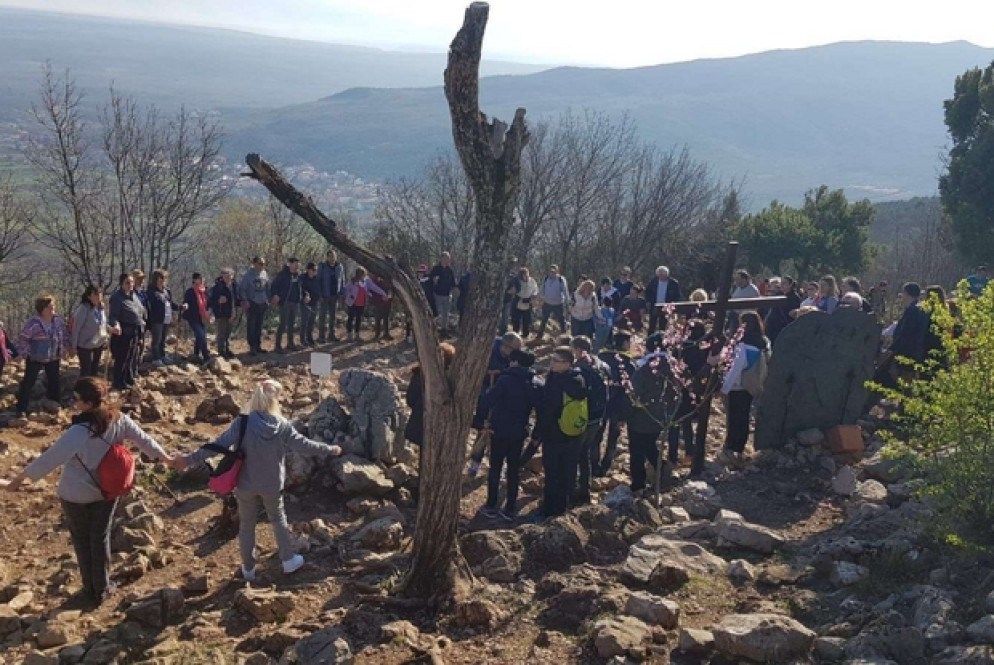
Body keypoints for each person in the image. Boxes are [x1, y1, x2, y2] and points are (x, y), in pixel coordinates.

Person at [4, 377, 175, 606]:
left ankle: (89, 590)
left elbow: (50, 459)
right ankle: (102, 588)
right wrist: (167, 459)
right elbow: (145, 440)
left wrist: (17, 481)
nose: (74, 403)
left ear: (87, 403)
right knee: (100, 537)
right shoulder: (119, 419)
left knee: (81, 540)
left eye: (77, 399)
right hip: (107, 492)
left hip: (75, 495)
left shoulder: (79, 430)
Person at [170, 380, 342, 581]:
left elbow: (216, 446)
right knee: (278, 519)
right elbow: (305, 445)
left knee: (247, 524)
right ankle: (288, 561)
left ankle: (248, 570)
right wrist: (331, 449)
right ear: (273, 400)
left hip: (245, 483)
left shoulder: (242, 423)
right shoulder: (282, 426)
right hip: (272, 484)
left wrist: (188, 460)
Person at [478, 348, 539, 520]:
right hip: (519, 432)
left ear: (515, 362)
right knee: (513, 470)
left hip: (500, 430)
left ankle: (491, 505)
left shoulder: (505, 380)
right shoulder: (534, 382)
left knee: (495, 467)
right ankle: (510, 508)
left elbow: (488, 402)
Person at [532, 347, 587, 519]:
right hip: (574, 432)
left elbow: (548, 411)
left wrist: (537, 434)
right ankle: (565, 506)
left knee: (553, 472)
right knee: (569, 469)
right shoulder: (579, 378)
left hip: (554, 433)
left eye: (556, 361)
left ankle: (550, 509)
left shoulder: (558, 382)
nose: (552, 364)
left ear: (567, 364)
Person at [627, 333, 679, 493]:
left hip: (641, 414)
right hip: (663, 413)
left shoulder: (643, 366)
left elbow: (632, 393)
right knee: (649, 443)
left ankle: (639, 482)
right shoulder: (674, 366)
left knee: (637, 448)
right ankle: (661, 469)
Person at [721, 311, 769, 459]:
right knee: (744, 416)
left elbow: (736, 368)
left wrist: (724, 388)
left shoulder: (742, 346)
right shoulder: (762, 343)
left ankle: (731, 446)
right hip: (751, 385)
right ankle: (740, 446)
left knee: (733, 417)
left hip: (738, 385)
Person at [570, 336, 611, 505]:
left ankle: (572, 491)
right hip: (598, 417)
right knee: (585, 453)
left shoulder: (580, 369)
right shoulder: (601, 365)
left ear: (579, 350)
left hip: (582, 418)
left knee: (574, 454)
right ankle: (585, 490)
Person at [16, 294, 71, 415]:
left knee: (54, 380)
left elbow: (64, 335)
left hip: (53, 356)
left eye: (53, 306)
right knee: (29, 381)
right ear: (42, 309)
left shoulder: (58, 321)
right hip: (36, 356)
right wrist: (22, 353)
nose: (53, 309)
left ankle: (55, 403)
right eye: (50, 307)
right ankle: (21, 407)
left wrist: (67, 347)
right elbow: (24, 339)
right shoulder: (33, 323)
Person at [667, 320, 708, 464]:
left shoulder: (678, 348)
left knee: (674, 423)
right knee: (687, 422)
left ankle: (672, 456)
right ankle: (690, 452)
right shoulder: (702, 350)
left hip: (676, 388)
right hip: (694, 389)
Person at [596, 330, 636, 476]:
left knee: (596, 436)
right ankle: (605, 466)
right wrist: (626, 413)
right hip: (618, 406)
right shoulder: (629, 363)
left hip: (600, 404)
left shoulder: (600, 357)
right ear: (626, 343)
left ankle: (593, 465)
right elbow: (630, 390)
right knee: (613, 437)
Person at [404, 343, 457, 448]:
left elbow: (410, 399)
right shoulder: (449, 381)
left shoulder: (419, 373)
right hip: (440, 431)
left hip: (418, 426)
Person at [107, 274, 147, 390]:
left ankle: (129, 378)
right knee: (122, 358)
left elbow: (139, 310)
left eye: (131, 282)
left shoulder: (133, 295)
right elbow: (113, 316)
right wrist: (116, 325)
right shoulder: (117, 298)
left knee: (131, 356)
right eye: (127, 283)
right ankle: (119, 382)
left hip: (135, 331)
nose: (130, 285)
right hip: (123, 333)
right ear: (121, 284)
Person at [70, 286, 109, 378]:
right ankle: (83, 389)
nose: (98, 296)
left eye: (100, 294)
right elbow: (76, 328)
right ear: (89, 296)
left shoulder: (100, 308)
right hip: (85, 345)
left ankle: (93, 389)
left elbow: (102, 324)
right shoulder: (83, 309)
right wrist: (73, 346)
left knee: (95, 368)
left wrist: (106, 338)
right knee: (86, 370)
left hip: (98, 343)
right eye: (95, 294)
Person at [147, 269, 184, 365]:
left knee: (163, 339)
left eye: (165, 278)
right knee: (157, 340)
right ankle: (156, 358)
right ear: (156, 279)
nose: (164, 280)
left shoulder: (167, 291)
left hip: (166, 319)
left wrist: (180, 307)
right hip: (157, 320)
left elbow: (171, 304)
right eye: (161, 278)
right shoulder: (151, 292)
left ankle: (162, 356)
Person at [343, 267, 388, 342]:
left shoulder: (366, 281)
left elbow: (374, 288)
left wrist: (383, 293)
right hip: (352, 303)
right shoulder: (352, 281)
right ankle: (349, 335)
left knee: (358, 319)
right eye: (363, 274)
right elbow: (346, 289)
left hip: (361, 303)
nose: (364, 276)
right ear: (359, 274)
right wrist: (346, 296)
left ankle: (357, 335)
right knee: (350, 318)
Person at [270, 258, 305, 353]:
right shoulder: (282, 274)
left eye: (298, 264)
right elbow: (274, 286)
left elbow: (303, 288)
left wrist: (305, 295)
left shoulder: (299, 276)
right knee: (283, 324)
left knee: (291, 324)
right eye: (295, 264)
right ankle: (277, 346)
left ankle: (290, 343)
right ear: (290, 264)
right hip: (285, 302)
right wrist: (275, 295)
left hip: (295, 302)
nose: (297, 266)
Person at [239, 257, 271, 356]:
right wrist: (245, 300)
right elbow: (242, 290)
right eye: (260, 263)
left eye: (264, 263)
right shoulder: (247, 275)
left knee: (259, 325)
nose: (262, 265)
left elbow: (267, 287)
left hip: (262, 302)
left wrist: (268, 299)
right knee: (251, 326)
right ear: (254, 264)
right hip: (252, 303)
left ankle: (258, 345)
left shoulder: (264, 274)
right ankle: (252, 346)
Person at [209, 269, 239, 359]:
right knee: (221, 333)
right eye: (225, 275)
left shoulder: (234, 285)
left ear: (232, 276)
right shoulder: (218, 286)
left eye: (229, 275)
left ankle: (227, 349)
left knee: (228, 332)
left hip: (232, 312)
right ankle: (221, 351)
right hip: (221, 313)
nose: (227, 277)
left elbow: (237, 297)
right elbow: (210, 299)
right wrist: (218, 300)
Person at [183, 273, 211, 365]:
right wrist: (185, 305)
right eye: (199, 279)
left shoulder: (205, 291)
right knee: (201, 335)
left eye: (202, 278)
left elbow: (209, 303)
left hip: (203, 317)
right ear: (194, 280)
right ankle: (206, 356)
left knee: (200, 336)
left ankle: (196, 354)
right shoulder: (190, 292)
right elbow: (186, 301)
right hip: (193, 317)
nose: (202, 280)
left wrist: (210, 312)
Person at [316, 251, 344, 343]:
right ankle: (321, 336)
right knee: (322, 316)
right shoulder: (322, 266)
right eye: (330, 256)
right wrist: (319, 295)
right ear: (327, 257)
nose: (332, 258)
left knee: (333, 317)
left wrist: (341, 294)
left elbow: (342, 280)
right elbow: (318, 281)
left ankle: (332, 335)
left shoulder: (339, 267)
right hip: (324, 295)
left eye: (334, 256)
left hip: (335, 295)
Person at [646, 266, 682, 334]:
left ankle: (661, 340)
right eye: (659, 275)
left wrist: (673, 304)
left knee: (663, 325)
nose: (661, 276)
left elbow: (677, 296)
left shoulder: (673, 283)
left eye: (663, 274)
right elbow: (648, 292)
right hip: (655, 305)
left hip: (667, 307)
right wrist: (648, 301)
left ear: (667, 275)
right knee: (652, 324)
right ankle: (649, 340)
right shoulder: (653, 282)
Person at [537, 265, 570, 338]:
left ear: (557, 271)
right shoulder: (545, 278)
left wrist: (567, 303)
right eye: (550, 271)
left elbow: (565, 291)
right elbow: (542, 289)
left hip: (558, 304)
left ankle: (564, 336)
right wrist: (541, 298)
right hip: (547, 303)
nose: (552, 273)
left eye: (553, 271)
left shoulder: (561, 279)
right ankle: (539, 336)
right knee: (544, 320)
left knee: (561, 320)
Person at [429, 252, 457, 333]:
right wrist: (434, 280)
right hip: (437, 294)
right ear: (442, 258)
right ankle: (434, 330)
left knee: (446, 314)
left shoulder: (450, 270)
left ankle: (444, 330)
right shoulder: (436, 268)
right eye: (446, 258)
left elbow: (453, 282)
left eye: (449, 258)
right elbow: (430, 279)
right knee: (437, 313)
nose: (448, 260)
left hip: (447, 295)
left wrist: (456, 290)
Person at [511, 267, 538, 339]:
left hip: (528, 303)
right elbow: (513, 290)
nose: (526, 276)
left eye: (527, 274)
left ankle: (525, 335)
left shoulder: (532, 281)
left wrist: (533, 297)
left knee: (527, 321)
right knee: (516, 320)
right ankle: (515, 334)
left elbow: (535, 290)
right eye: (524, 275)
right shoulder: (517, 281)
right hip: (518, 302)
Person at [300, 262, 320, 347]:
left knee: (311, 322)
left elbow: (319, 289)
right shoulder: (302, 278)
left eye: (316, 270)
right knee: (305, 321)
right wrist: (305, 295)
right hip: (305, 303)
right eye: (314, 270)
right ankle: (303, 340)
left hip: (314, 302)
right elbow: (301, 289)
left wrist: (319, 297)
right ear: (308, 270)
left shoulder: (316, 278)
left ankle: (310, 338)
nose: (315, 271)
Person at [370, 275, 393, 341]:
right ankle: (377, 334)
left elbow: (391, 289)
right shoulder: (376, 280)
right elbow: (373, 289)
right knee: (378, 317)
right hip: (378, 301)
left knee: (386, 317)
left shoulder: (389, 279)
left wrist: (390, 297)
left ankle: (386, 333)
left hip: (387, 300)